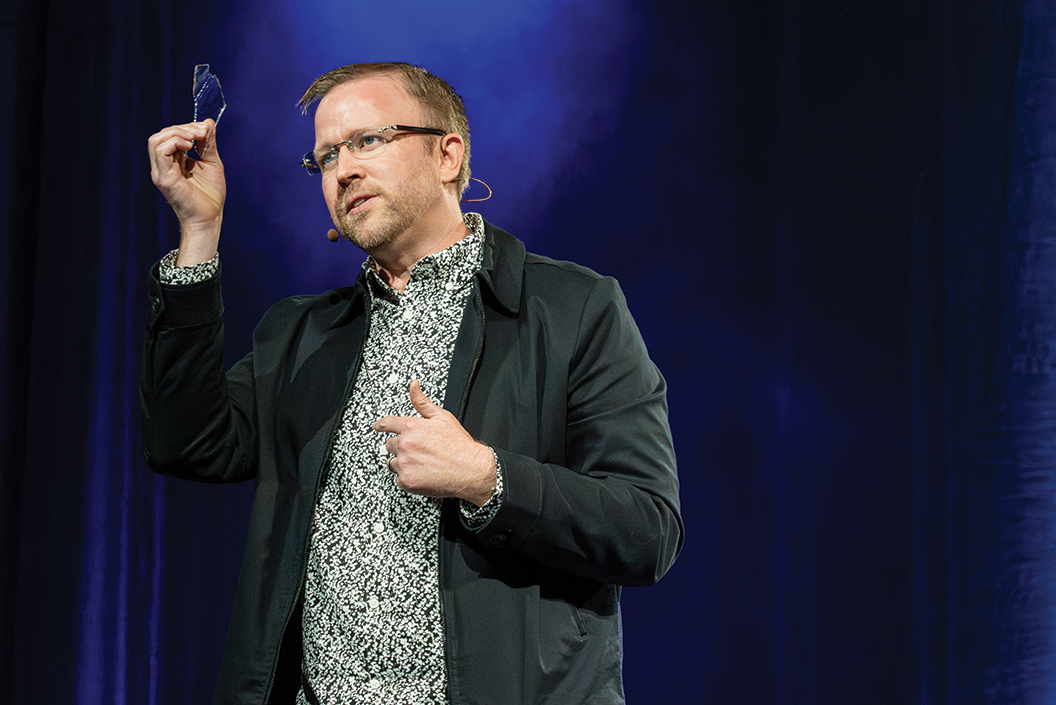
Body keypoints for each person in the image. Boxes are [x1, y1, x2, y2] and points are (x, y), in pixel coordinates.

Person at [141, 62, 682, 705]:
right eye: (325, 157)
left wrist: (487, 478)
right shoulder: (302, 334)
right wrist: (199, 233)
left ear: (447, 155)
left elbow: (647, 530)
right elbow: (187, 442)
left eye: (368, 141)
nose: (343, 171)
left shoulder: (571, 308)